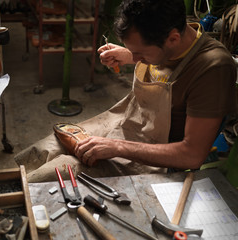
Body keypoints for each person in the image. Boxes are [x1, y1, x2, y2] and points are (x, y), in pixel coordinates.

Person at [15, 0, 237, 182]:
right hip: (126, 123)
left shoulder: (212, 68)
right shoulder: (171, 36)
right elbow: (164, 61)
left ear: (173, 38)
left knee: (52, 176)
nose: (137, 59)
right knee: (42, 150)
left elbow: (192, 155)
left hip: (155, 153)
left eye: (141, 53)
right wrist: (129, 53)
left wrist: (118, 146)